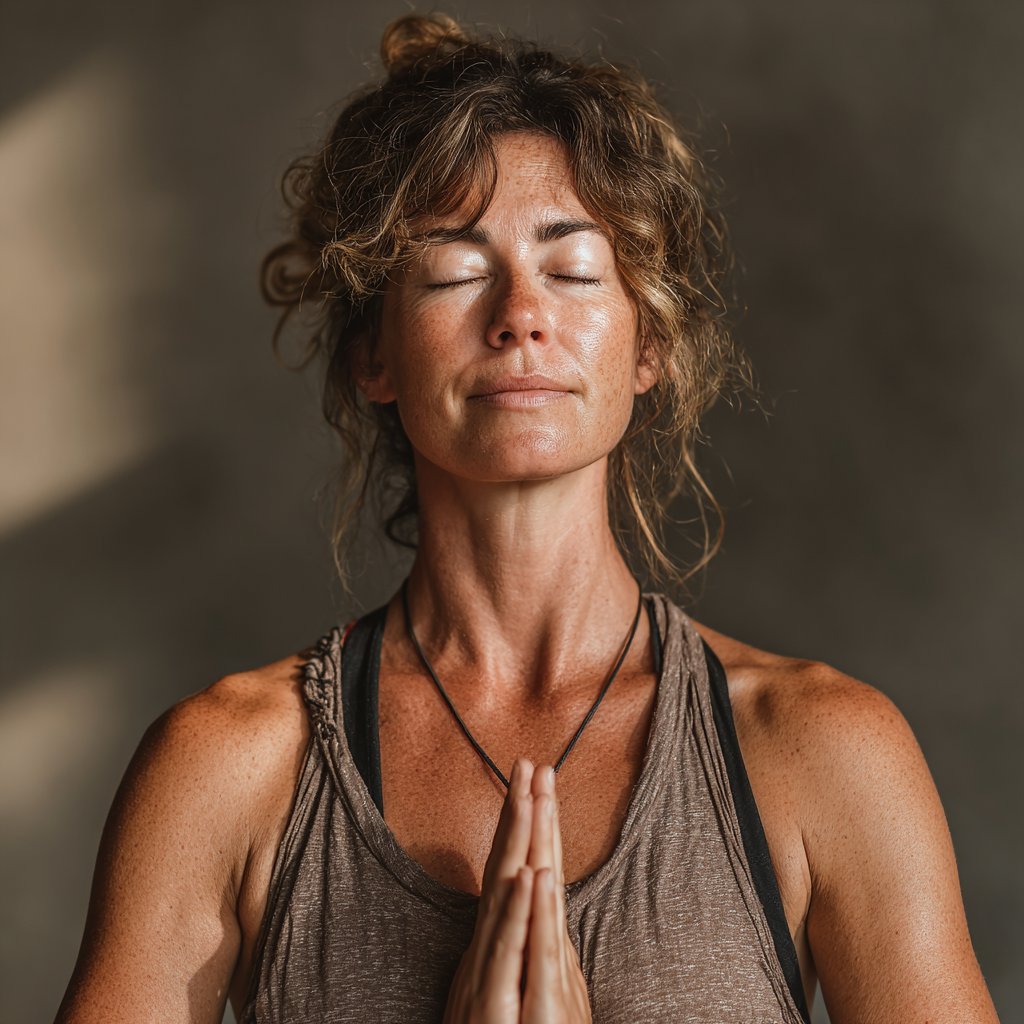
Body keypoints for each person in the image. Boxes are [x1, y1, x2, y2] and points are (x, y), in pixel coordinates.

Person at [56, 14, 998, 1024]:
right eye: (456, 270)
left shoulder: (826, 754)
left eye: (575, 268)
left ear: (648, 348)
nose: (520, 313)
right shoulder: (224, 770)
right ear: (372, 354)